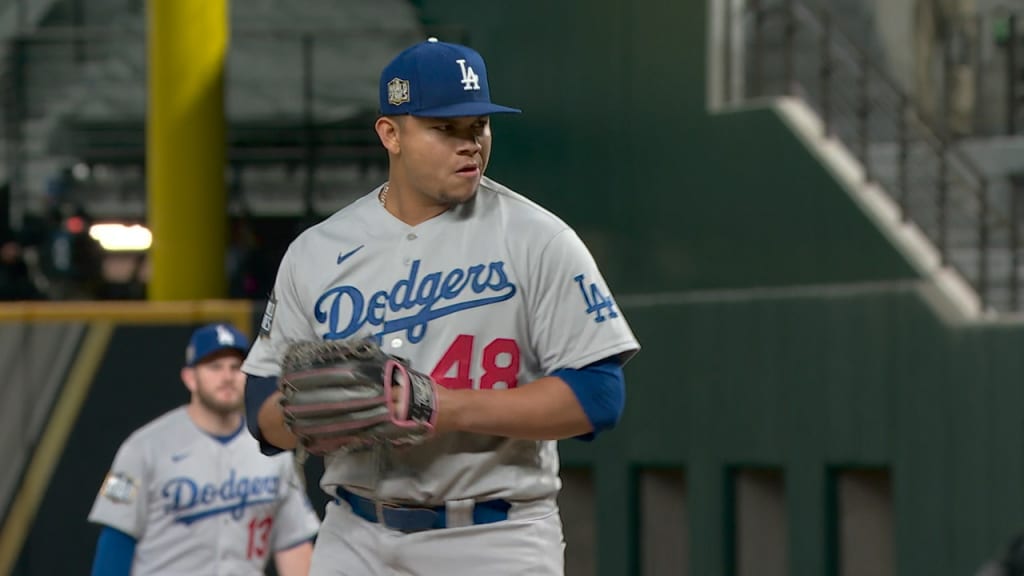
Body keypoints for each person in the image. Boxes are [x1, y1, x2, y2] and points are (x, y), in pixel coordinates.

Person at [242, 37, 640, 576]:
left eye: (478, 126)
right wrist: (307, 418)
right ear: (391, 133)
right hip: (354, 537)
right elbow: (260, 407)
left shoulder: (539, 238)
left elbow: (599, 396)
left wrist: (442, 406)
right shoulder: (318, 251)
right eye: (445, 128)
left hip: (495, 537)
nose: (469, 143)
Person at [88, 323, 320, 576]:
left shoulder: (272, 450)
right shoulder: (142, 447)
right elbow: (117, 538)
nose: (227, 376)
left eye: (236, 367)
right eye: (214, 366)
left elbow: (293, 542)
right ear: (190, 377)